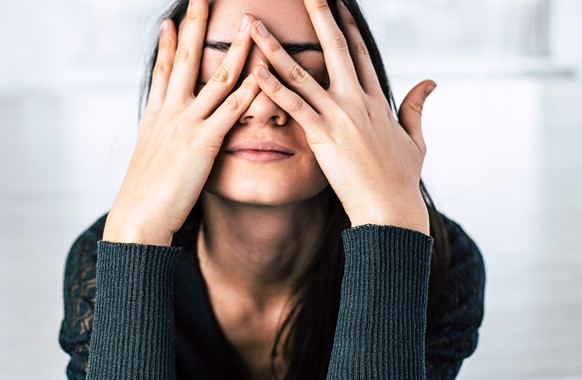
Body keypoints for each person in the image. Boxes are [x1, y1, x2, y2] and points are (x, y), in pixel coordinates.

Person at [59, 0, 485, 378]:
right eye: (224, 74)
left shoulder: (442, 265)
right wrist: (136, 238)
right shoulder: (100, 263)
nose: (262, 106)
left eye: (298, 72)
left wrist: (391, 223)